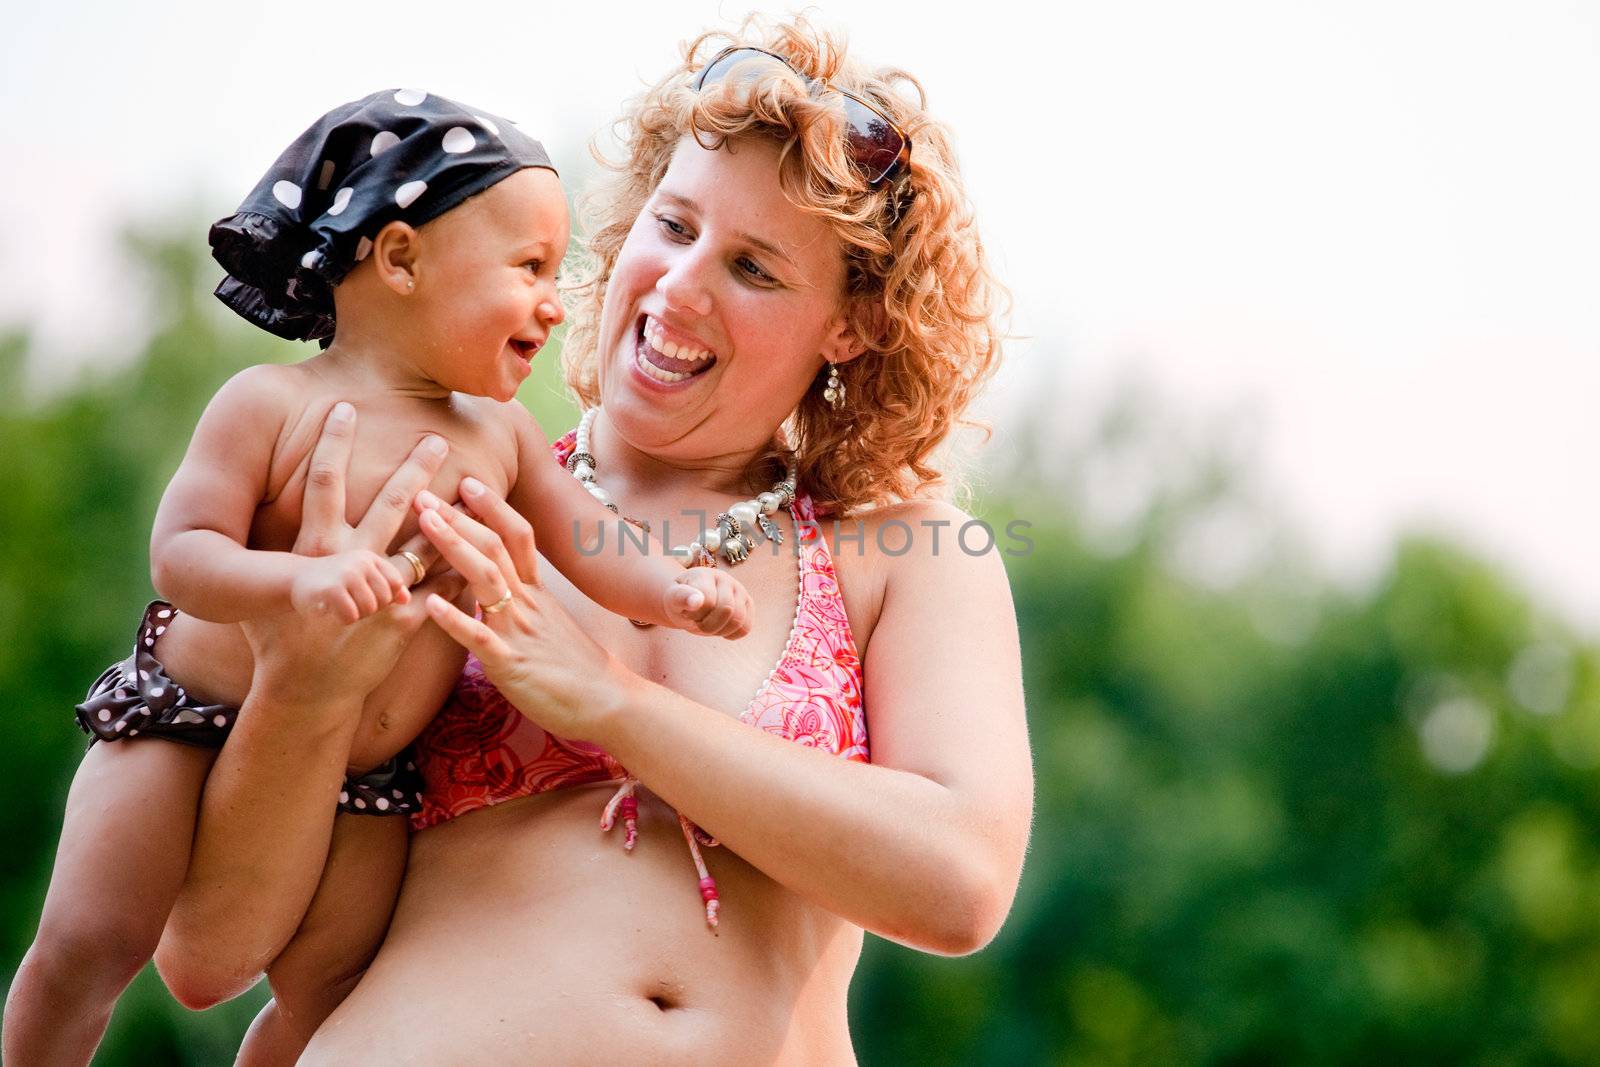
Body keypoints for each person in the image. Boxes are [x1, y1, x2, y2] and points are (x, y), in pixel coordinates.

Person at [155, 14, 1032, 1064]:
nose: (681, 284)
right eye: (673, 225)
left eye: (755, 268)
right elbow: (205, 957)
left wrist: (611, 703)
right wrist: (304, 684)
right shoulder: (433, 493)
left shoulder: (905, 552)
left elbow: (959, 884)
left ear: (848, 325)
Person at [3, 90, 750, 1066]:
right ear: (398, 259)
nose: (555, 301)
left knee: (343, 995)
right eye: (528, 268)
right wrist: (292, 587)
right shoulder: (271, 402)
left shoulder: (503, 436)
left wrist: (678, 590)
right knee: (90, 941)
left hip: (369, 781)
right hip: (185, 722)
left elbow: (596, 544)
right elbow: (181, 554)